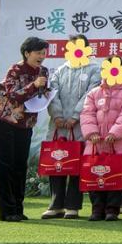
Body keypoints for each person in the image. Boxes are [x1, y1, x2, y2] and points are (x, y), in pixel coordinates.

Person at [41, 34, 101, 220]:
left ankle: (72, 206)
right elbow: (52, 94)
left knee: (77, 165)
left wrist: (75, 116)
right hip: (58, 125)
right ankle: (56, 205)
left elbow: (90, 94)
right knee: (57, 163)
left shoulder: (94, 69)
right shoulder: (60, 70)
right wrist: (58, 115)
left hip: (80, 125)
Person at [0, 37, 49, 222]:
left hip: (25, 123)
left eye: (44, 53)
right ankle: (7, 211)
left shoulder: (43, 71)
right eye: (38, 53)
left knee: (20, 165)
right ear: (27, 53)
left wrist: (47, 92)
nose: (42, 56)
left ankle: (18, 208)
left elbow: (41, 94)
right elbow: (13, 94)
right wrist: (34, 85)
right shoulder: (15, 70)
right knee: (5, 165)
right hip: (5, 121)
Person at [80, 56, 122, 221]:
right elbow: (87, 114)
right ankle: (97, 209)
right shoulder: (93, 93)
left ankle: (112, 209)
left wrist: (115, 133)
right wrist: (91, 133)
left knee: (115, 175)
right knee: (94, 175)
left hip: (118, 143)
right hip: (95, 144)